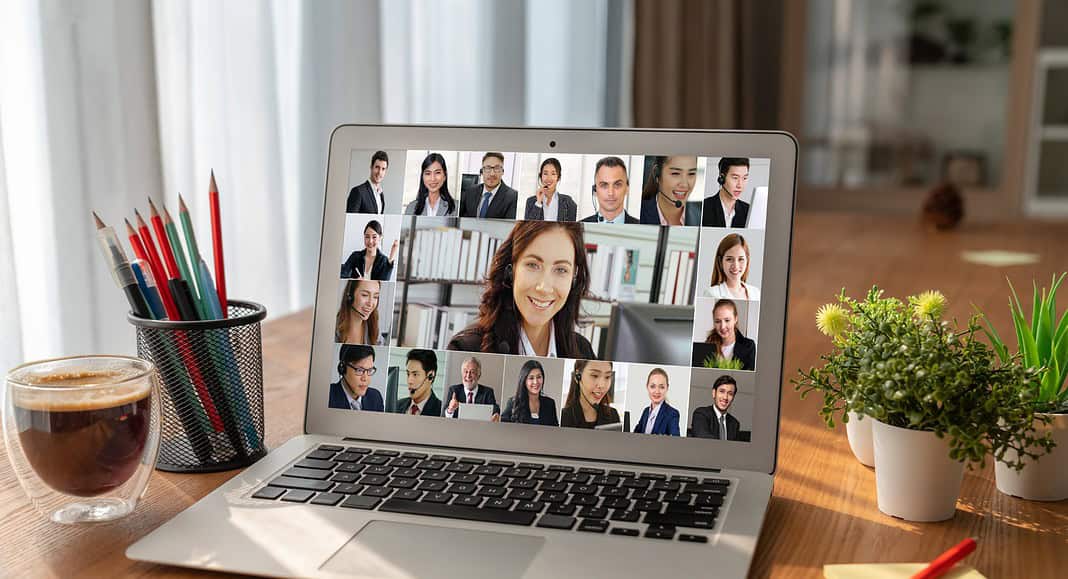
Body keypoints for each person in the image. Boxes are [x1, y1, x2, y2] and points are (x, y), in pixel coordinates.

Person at [447, 221, 595, 358]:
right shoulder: (466, 349)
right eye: (533, 265)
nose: (544, 288)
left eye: (561, 270)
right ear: (511, 270)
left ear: (574, 279)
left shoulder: (583, 351)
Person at [692, 299, 756, 370]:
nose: (722, 326)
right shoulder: (707, 346)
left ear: (735, 319)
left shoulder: (748, 346)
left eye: (727, 320)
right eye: (718, 321)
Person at [639, 155, 701, 226]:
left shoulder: (700, 217)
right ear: (657, 174)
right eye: (675, 173)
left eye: (691, 173)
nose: (684, 184)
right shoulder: (639, 214)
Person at [560, 360, 621, 429]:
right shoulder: (563, 417)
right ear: (578, 376)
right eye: (595, 376)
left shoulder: (613, 415)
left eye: (607, 377)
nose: (602, 385)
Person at [581, 156, 639, 224]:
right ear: (595, 190)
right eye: (604, 185)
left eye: (617, 185)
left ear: (627, 189)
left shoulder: (644, 227)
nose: (611, 193)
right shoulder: (579, 226)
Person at [460, 152, 518, 219]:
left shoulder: (513, 197)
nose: (492, 174)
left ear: (502, 172)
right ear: (482, 171)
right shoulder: (470, 191)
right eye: (488, 168)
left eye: (497, 168)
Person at [501, 359, 559, 426]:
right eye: (531, 378)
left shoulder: (550, 403)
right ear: (524, 380)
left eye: (539, 377)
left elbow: (555, 429)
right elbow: (502, 424)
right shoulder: (513, 402)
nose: (536, 382)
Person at [704, 233, 761, 300]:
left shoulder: (756, 293)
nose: (735, 266)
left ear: (747, 260)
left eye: (740, 259)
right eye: (729, 259)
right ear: (720, 261)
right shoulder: (712, 294)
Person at [328, 344, 384, 411]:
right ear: (343, 368)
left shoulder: (375, 398)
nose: (365, 379)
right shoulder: (327, 396)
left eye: (369, 370)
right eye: (359, 370)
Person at [702, 157, 750, 227]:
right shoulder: (703, 208)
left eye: (744, 178)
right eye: (735, 178)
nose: (740, 185)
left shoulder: (749, 211)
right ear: (721, 178)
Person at [524, 157, 577, 221]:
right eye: (545, 173)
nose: (549, 178)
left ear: (558, 177)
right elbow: (528, 228)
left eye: (553, 174)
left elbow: (571, 229)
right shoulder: (531, 202)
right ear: (541, 176)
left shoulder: (568, 202)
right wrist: (538, 203)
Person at [691, 375, 742, 440]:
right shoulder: (701, 414)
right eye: (722, 391)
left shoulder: (734, 424)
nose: (725, 397)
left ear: (733, 398)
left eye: (730, 394)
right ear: (714, 393)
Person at [632, 367, 680, 436]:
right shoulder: (646, 412)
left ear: (667, 388)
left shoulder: (672, 414)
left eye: (661, 387)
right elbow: (635, 434)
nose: (657, 391)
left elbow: (676, 441)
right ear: (647, 387)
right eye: (652, 386)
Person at [395, 349, 442, 416]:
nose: (409, 381)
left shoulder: (441, 411)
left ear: (430, 376)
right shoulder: (396, 406)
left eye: (415, 374)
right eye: (408, 374)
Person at [335, 279, 383, 345]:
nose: (370, 303)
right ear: (350, 296)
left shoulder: (374, 329)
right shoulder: (332, 330)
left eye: (375, 297)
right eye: (365, 295)